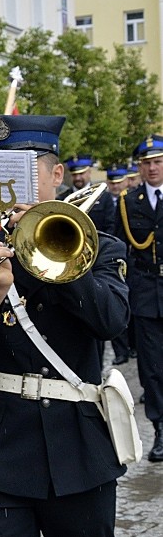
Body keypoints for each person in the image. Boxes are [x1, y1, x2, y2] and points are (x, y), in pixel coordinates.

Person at [0, 114, 130, 537]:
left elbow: (112, 320)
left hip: (78, 451)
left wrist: (58, 260)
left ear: (56, 175)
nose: (14, 187)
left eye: (25, 172)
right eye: (3, 174)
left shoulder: (99, 246)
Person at [114, 133, 163, 462]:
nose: (152, 168)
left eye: (158, 162)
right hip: (146, 292)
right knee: (152, 366)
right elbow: (119, 249)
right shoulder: (129, 202)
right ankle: (160, 429)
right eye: (146, 163)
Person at [104, 164, 132, 366]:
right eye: (112, 182)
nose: (115, 186)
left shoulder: (129, 199)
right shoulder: (104, 198)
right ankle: (121, 350)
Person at [60, 154, 115, 233]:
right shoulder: (62, 198)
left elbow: (110, 226)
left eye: (81, 173)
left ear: (89, 172)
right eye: (74, 174)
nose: (77, 178)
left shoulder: (104, 197)